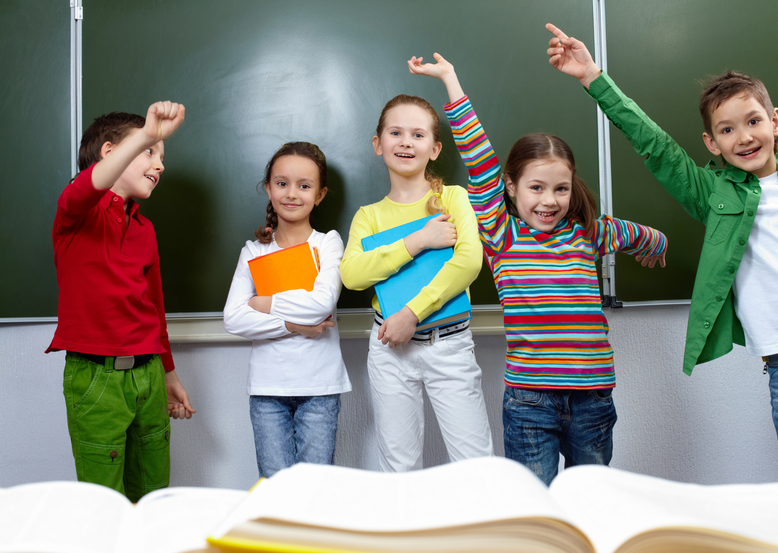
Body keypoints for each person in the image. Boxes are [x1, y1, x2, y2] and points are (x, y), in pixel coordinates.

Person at [545, 23, 778, 483]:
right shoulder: (713, 193)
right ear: (711, 144)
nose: (744, 136)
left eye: (753, 121)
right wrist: (592, 77)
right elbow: (654, 145)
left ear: (775, 121)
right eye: (727, 129)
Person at [410, 52, 667, 485]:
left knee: (592, 496)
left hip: (593, 399)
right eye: (536, 188)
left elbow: (645, 234)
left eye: (561, 189)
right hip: (530, 401)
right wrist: (451, 80)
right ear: (510, 188)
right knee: (535, 502)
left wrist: (653, 247)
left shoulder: (588, 232)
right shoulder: (501, 233)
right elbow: (477, 155)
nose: (549, 200)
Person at [340, 92, 493, 472]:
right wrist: (418, 240)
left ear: (436, 149)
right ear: (378, 144)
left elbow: (469, 262)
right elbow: (352, 275)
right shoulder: (369, 216)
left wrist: (412, 312)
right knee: (399, 467)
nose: (406, 142)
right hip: (390, 351)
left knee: (474, 463)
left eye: (418, 134)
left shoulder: (453, 198)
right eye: (395, 132)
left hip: (449, 345)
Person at [48, 102, 194, 502]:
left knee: (152, 494)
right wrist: (148, 134)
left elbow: (155, 310)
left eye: (162, 155)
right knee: (105, 502)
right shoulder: (74, 213)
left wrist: (167, 372)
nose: (160, 164)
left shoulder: (145, 229)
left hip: (146, 371)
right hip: (96, 378)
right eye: (150, 152)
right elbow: (89, 185)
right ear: (111, 153)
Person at [224, 142, 351, 477]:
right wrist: (295, 326)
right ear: (268, 188)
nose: (292, 193)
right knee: (274, 488)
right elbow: (233, 317)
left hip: (319, 389)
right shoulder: (253, 252)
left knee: (315, 487)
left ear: (320, 195)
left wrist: (263, 303)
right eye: (281, 183)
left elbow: (322, 304)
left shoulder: (328, 243)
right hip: (268, 391)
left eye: (304, 186)